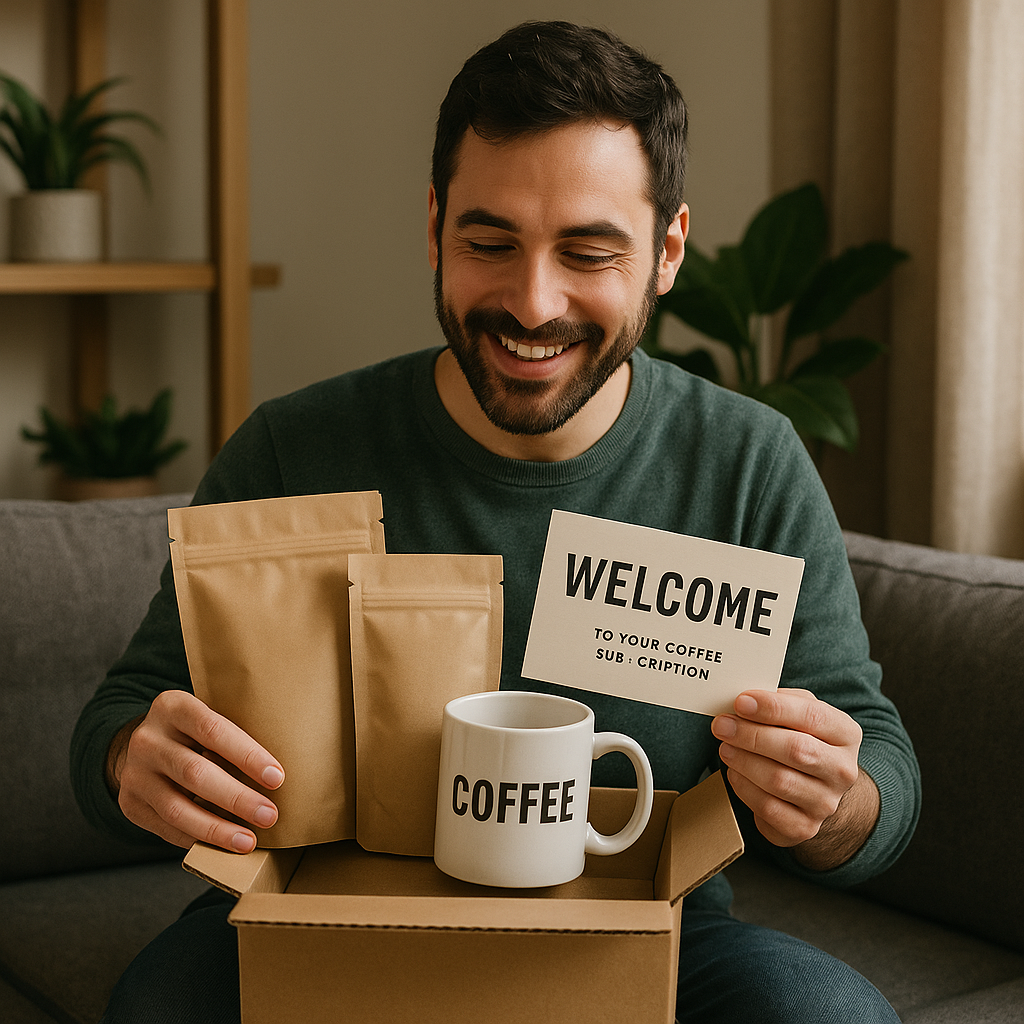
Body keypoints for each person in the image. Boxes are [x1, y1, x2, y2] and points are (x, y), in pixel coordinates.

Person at [72, 20, 920, 1024]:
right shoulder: (292, 450)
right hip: (325, 928)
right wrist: (136, 759)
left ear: (667, 253)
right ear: (434, 227)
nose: (532, 301)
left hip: (645, 932)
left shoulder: (746, 461)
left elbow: (878, 767)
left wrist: (834, 802)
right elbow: (118, 723)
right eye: (489, 243)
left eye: (589, 251)